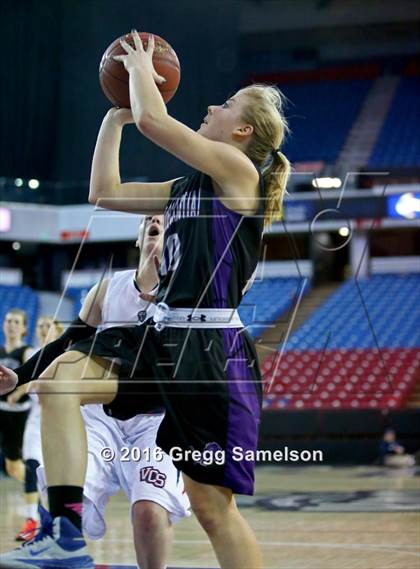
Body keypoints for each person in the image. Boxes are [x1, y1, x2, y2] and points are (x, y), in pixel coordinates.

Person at [0, 31, 290, 569]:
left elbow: (157, 122)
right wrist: (115, 118)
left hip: (208, 349)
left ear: (244, 130)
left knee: (212, 508)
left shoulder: (239, 175)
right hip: (158, 335)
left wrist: (138, 67)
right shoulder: (185, 187)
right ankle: (63, 533)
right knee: (58, 381)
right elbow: (103, 192)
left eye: (226, 106)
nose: (211, 105)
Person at [2, 216, 190, 569]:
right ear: (137, 240)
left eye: (164, 222)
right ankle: (59, 542)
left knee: (150, 514)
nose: (153, 221)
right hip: (101, 415)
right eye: (147, 220)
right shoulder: (108, 289)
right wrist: (21, 376)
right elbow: (67, 341)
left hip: (154, 422)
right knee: (63, 484)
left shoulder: (188, 292)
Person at [8, 316, 64, 542]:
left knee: (54, 477)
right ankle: (32, 520)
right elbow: (22, 379)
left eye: (47, 326)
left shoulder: (66, 354)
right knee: (30, 466)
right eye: (39, 326)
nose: (42, 329)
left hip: (60, 421)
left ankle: (58, 521)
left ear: (57, 330)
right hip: (35, 419)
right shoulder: (31, 352)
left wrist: (21, 390)